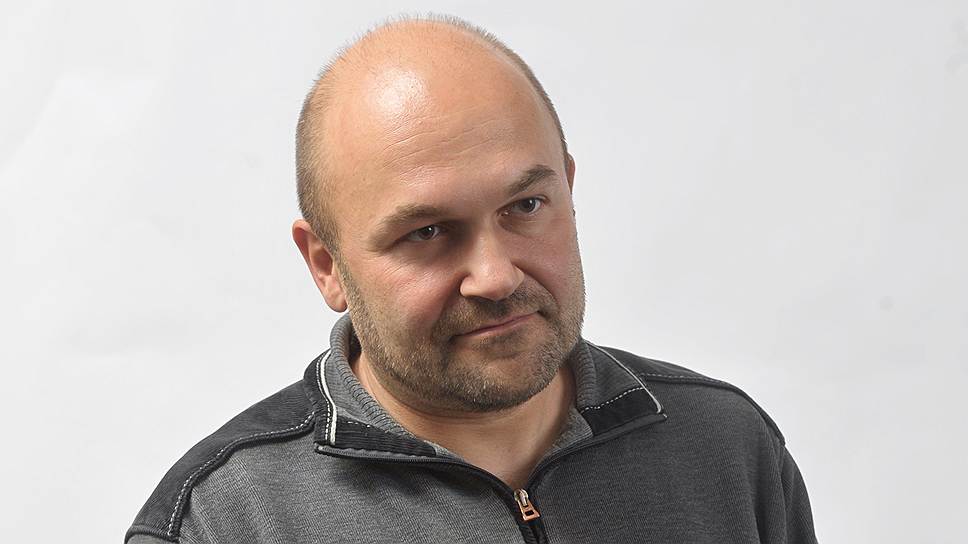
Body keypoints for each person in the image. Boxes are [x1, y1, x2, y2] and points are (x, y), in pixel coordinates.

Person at [127, 15, 817, 544]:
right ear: (326, 266)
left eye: (526, 206)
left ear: (569, 190)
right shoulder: (225, 521)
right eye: (427, 232)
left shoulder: (726, 448)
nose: (495, 276)